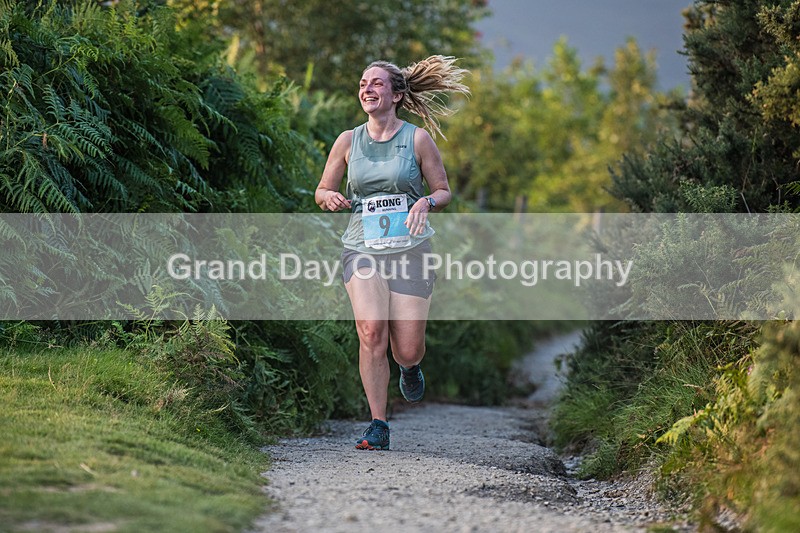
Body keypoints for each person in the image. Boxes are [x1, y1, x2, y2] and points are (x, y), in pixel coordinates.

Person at [314, 55, 469, 450]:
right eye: (363, 83)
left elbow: (443, 191)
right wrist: (329, 197)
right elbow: (322, 189)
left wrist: (426, 203)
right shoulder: (347, 141)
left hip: (410, 250)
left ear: (396, 95)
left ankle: (410, 367)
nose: (367, 89)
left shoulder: (417, 140)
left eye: (377, 83)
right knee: (371, 331)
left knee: (408, 348)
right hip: (361, 248)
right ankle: (378, 424)